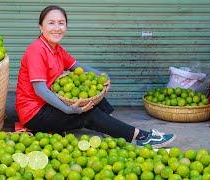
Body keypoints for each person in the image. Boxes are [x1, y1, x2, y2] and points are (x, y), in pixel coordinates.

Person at [15, 5, 175, 148]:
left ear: (66, 26)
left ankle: (111, 128)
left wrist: (103, 76)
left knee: (93, 97)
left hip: (47, 104)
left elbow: (77, 66)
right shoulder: (36, 50)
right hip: (34, 113)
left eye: (61, 23)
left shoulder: (56, 49)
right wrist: (68, 110)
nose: (57, 28)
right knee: (89, 114)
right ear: (41, 27)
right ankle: (141, 137)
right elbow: (40, 89)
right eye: (51, 23)